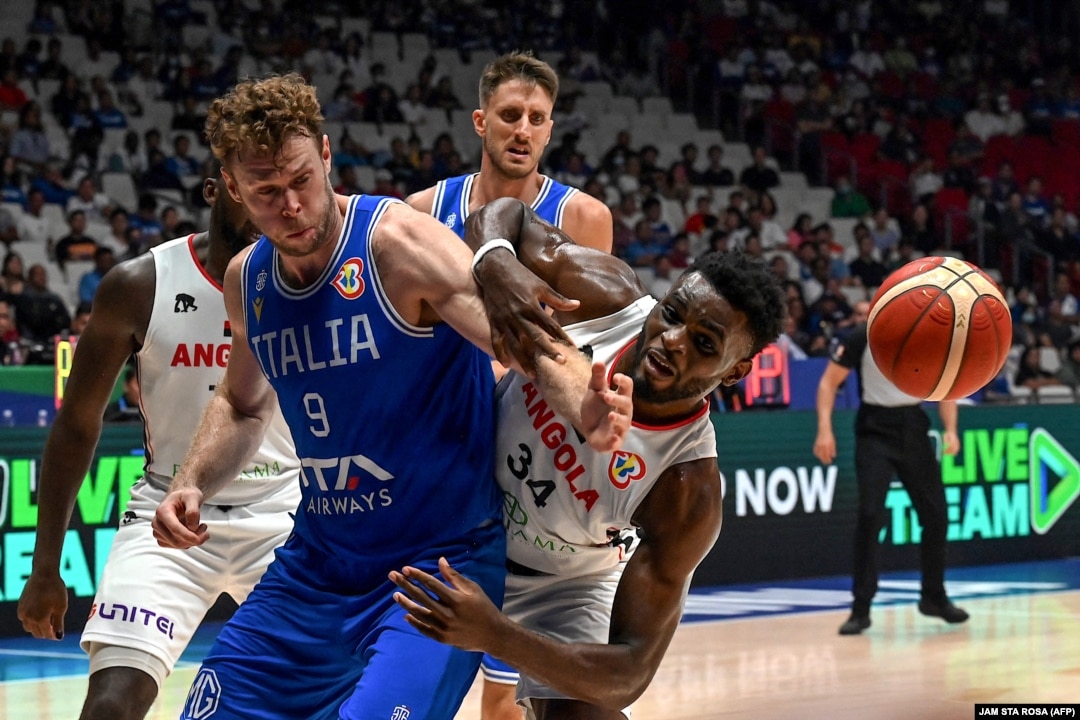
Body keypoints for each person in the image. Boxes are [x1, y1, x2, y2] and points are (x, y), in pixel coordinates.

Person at [149, 73, 630, 720]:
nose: (290, 205)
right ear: (233, 189)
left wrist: (588, 408)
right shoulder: (248, 280)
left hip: (437, 567)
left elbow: (524, 344)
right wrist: (192, 482)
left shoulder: (398, 243)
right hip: (315, 567)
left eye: (300, 180)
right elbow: (241, 403)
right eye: (266, 191)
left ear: (325, 156)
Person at [388, 197, 785, 719]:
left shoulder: (688, 486)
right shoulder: (610, 298)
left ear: (734, 372)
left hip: (561, 585)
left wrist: (496, 634)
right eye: (672, 314)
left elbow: (628, 673)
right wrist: (498, 262)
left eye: (704, 343)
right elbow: (506, 212)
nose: (671, 341)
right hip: (451, 516)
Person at [16, 168, 303, 720]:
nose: (266, 209)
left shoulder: (305, 279)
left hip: (283, 512)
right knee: (110, 705)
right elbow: (77, 423)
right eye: (252, 190)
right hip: (167, 511)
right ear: (216, 188)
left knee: (337, 697)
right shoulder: (138, 284)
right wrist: (44, 564)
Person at [812, 300, 969, 636]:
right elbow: (828, 383)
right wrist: (824, 430)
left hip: (912, 424)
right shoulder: (861, 337)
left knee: (936, 515)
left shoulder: (926, 336)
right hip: (875, 429)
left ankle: (934, 597)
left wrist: (951, 429)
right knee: (870, 515)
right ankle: (861, 607)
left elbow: (946, 388)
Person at [406, 51, 612, 257]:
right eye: (509, 115)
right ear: (480, 122)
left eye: (536, 119)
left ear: (548, 133)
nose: (523, 132)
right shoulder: (425, 210)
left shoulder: (585, 218)